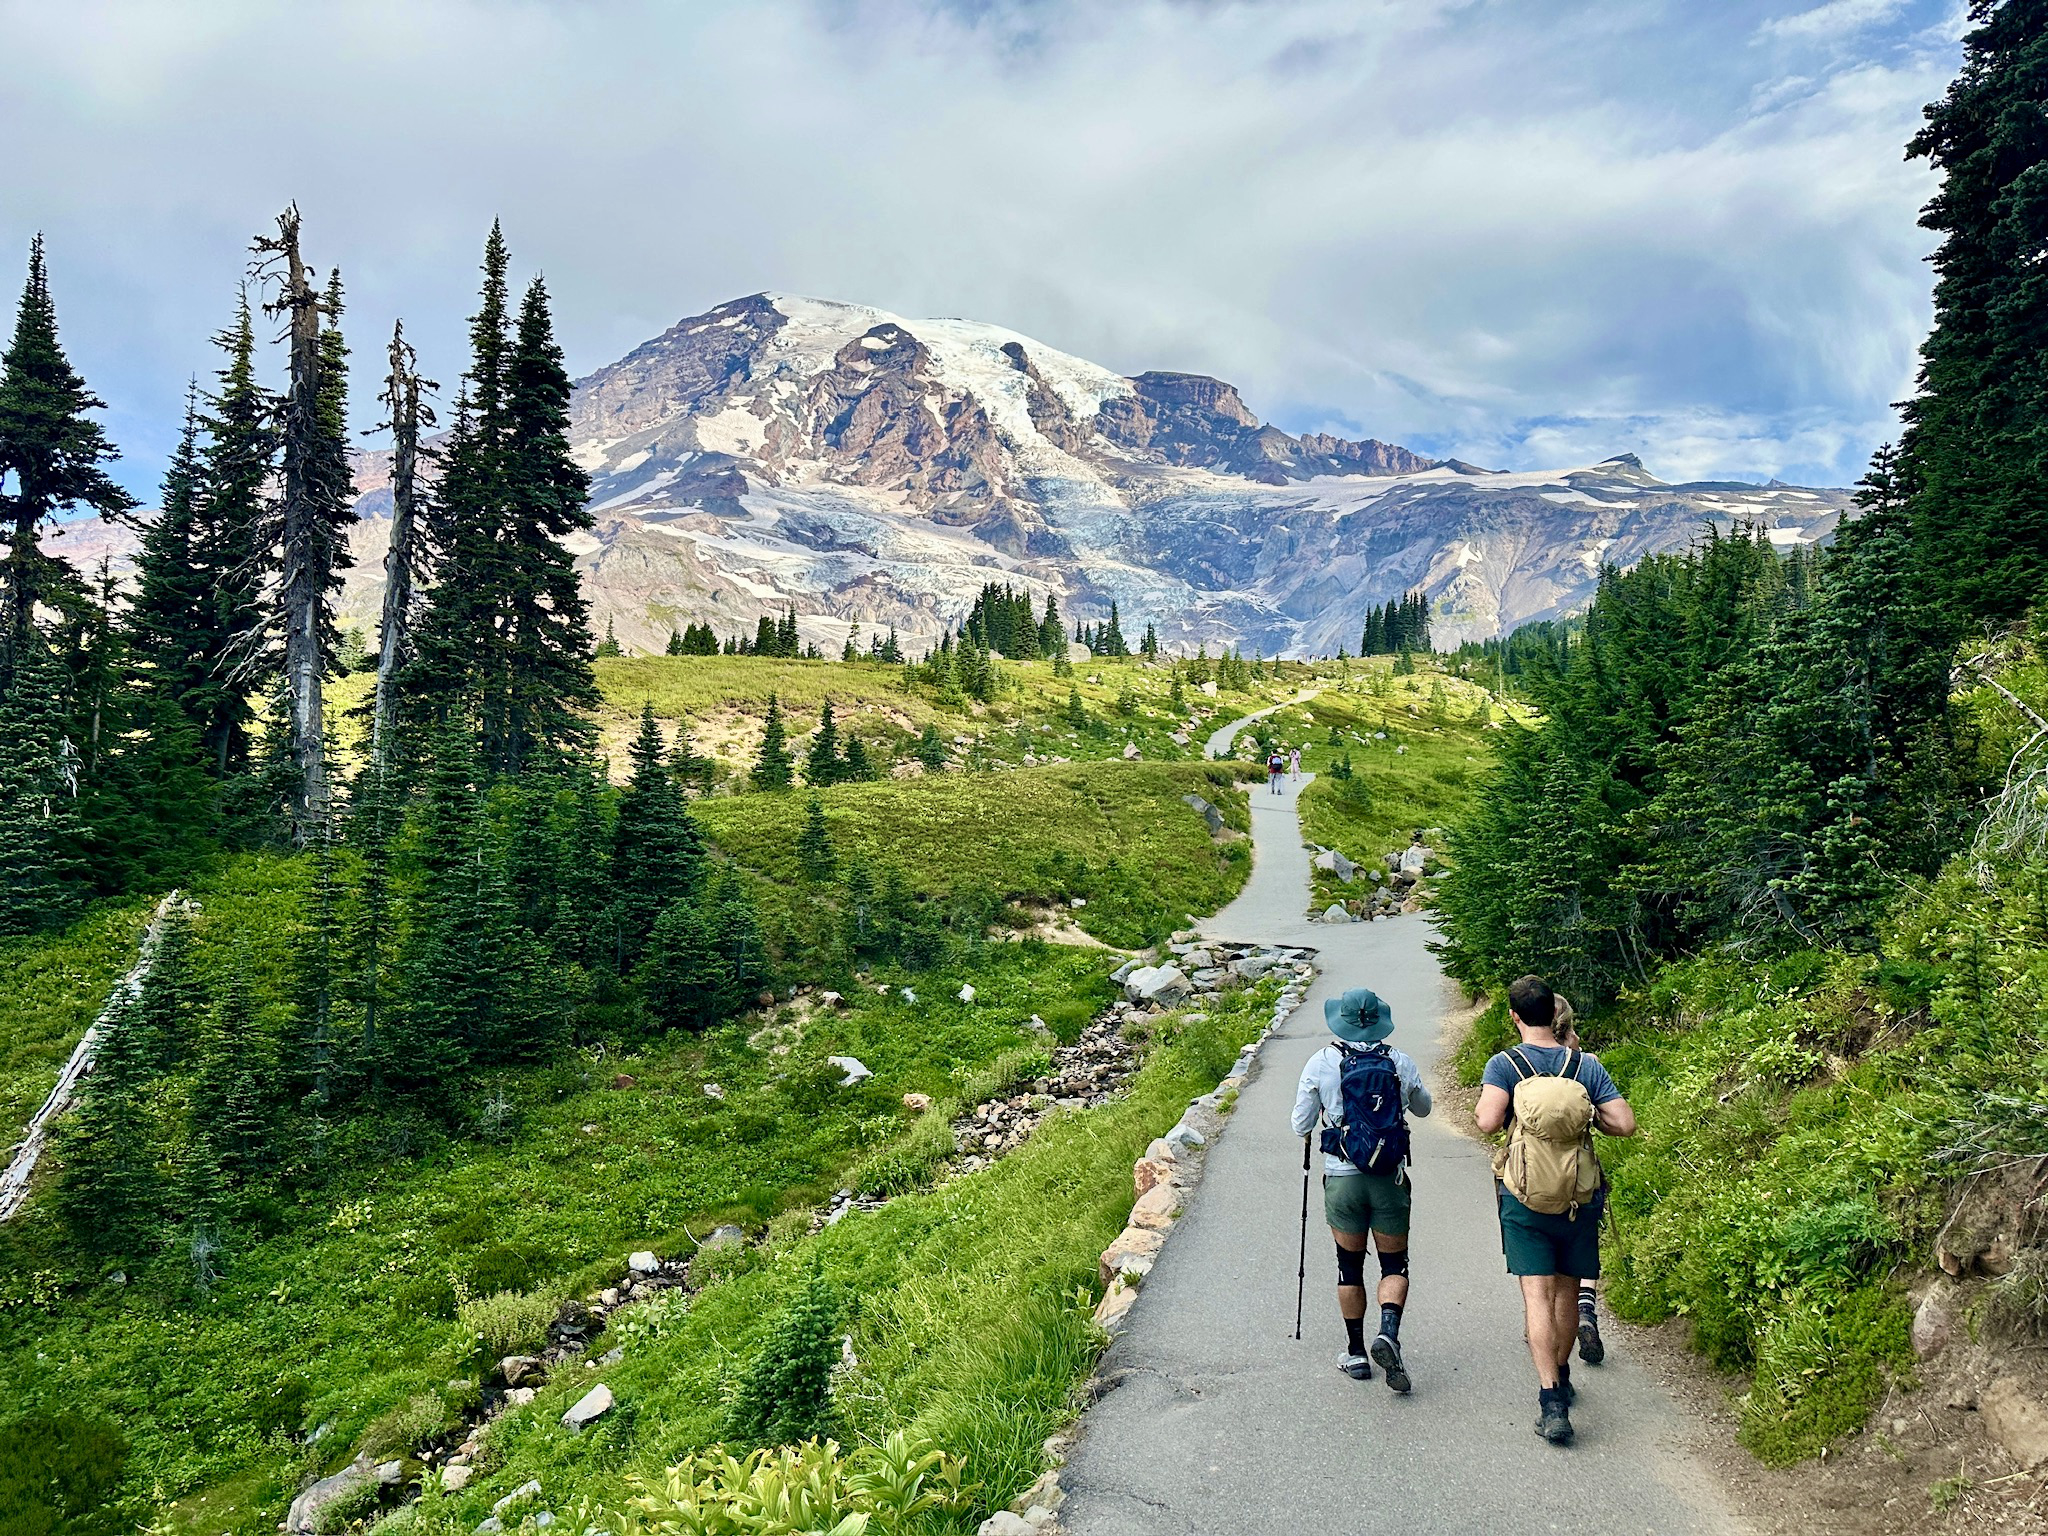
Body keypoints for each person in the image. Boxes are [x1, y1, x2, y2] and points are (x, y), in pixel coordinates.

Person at [1475, 975, 1635, 1445]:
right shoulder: (1584, 1065)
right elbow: (1623, 1123)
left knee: (1536, 1297)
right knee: (1567, 1294)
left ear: (1515, 1016)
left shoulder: (1505, 1065)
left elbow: (1486, 1122)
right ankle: (1563, 1377)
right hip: (1578, 1197)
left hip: (1524, 1196)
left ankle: (1550, 1400)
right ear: (1555, 1014)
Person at [1290, 985, 1433, 1392]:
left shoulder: (1321, 1063)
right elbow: (1423, 1108)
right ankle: (1387, 1333)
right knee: (1394, 1266)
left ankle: (1355, 1354)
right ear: (1379, 1021)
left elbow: (1300, 1124)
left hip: (1342, 1178)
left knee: (1348, 1267)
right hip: (1389, 1178)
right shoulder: (1398, 1061)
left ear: (1341, 1021)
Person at [1549, 994, 1605, 1367]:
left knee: (1546, 1267)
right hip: (1580, 1172)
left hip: (1532, 1177)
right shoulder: (1585, 1063)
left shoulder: (1520, 1066)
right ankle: (1586, 1307)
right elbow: (1608, 1116)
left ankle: (1552, 1358)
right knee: (1582, 1246)